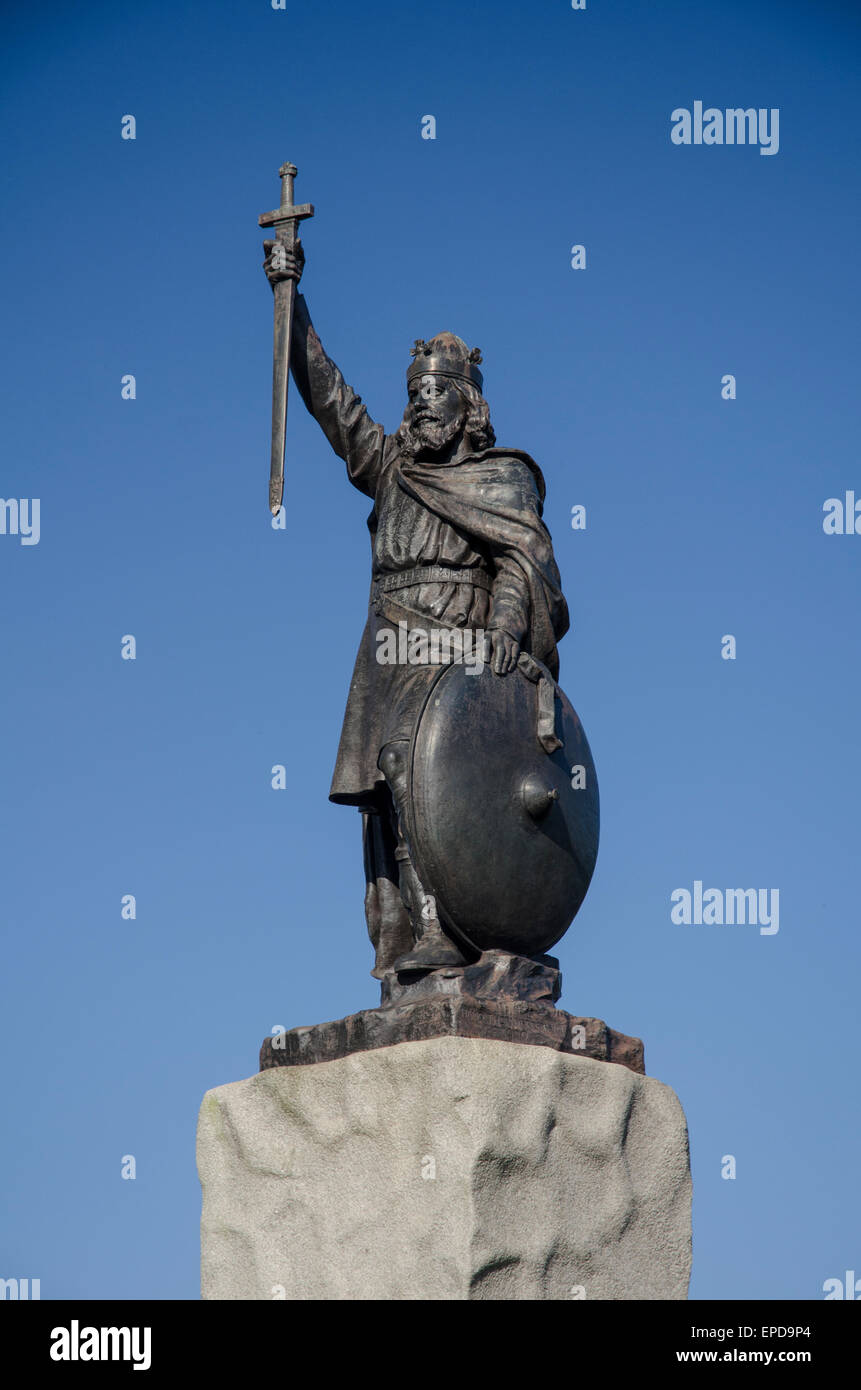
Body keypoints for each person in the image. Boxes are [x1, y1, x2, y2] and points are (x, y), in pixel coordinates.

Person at [263, 237, 569, 976]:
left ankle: (444, 926)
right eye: (414, 399)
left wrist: (501, 628)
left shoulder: (501, 479)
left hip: (456, 644)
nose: (420, 410)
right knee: (385, 794)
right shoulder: (390, 468)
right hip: (386, 645)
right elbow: (331, 401)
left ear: (468, 409)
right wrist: (288, 299)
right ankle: (402, 938)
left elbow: (518, 562)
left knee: (420, 768)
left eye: (436, 399)